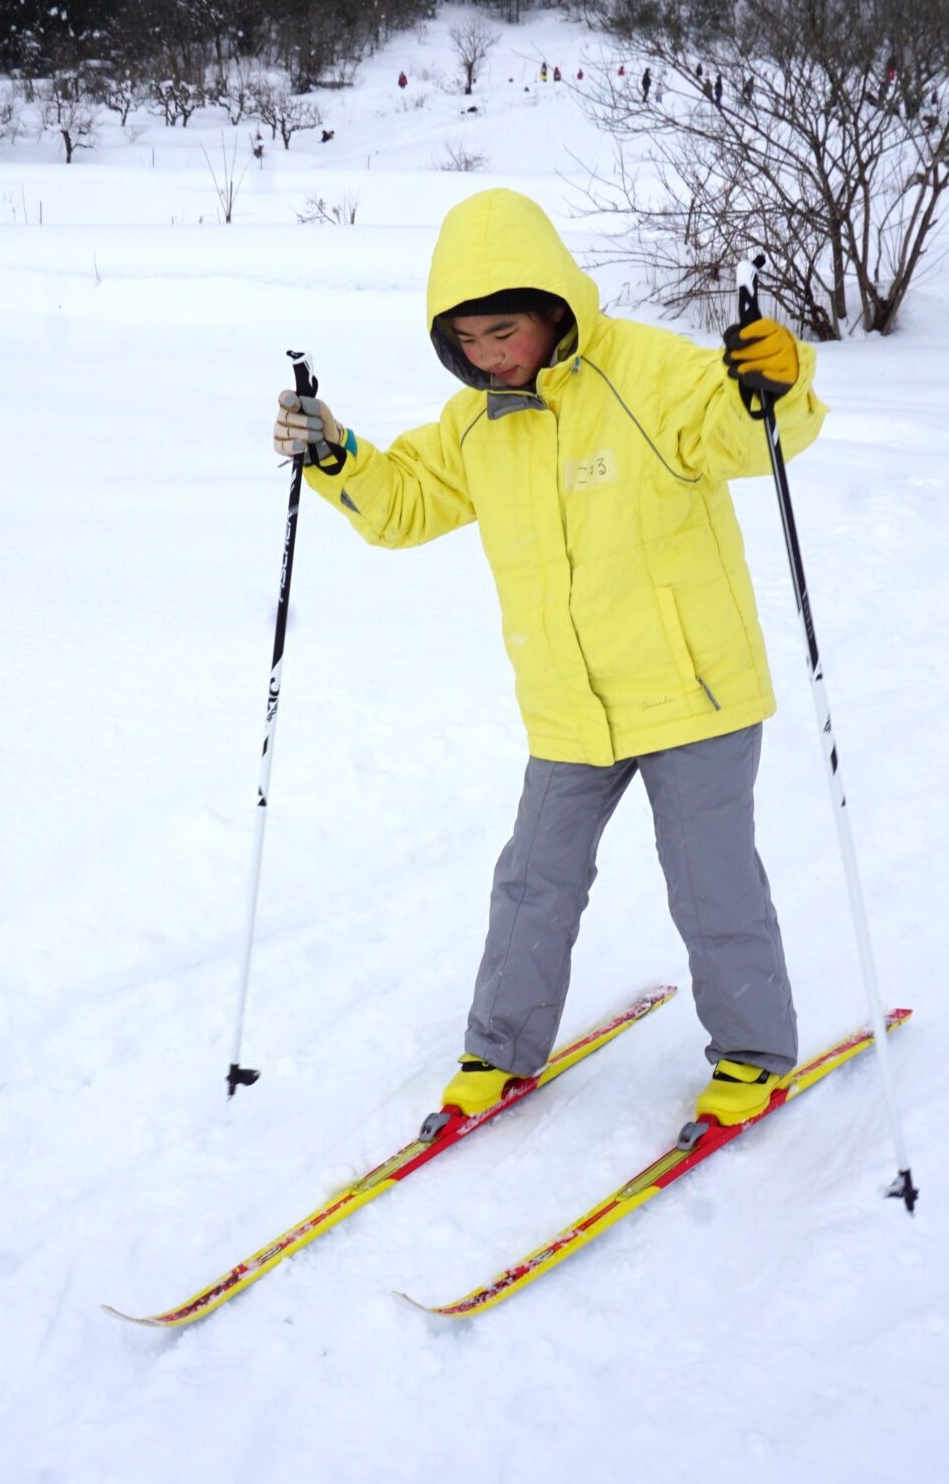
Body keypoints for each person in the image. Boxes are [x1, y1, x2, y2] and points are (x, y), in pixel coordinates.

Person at [270, 188, 824, 1127]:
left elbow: (746, 435)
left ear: (553, 306)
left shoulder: (649, 374)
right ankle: (498, 1049)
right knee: (532, 882)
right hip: (569, 706)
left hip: (693, 693)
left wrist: (779, 382)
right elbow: (405, 503)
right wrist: (336, 456)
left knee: (711, 883)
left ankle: (754, 1055)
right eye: (469, 340)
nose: (490, 355)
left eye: (505, 331)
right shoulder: (476, 423)